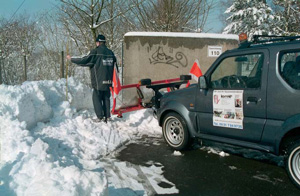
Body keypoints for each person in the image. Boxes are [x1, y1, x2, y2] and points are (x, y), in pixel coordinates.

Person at [67, 34, 117, 123]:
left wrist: (72, 59)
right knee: (106, 98)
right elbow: (115, 65)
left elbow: (85, 60)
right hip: (109, 80)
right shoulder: (111, 53)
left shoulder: (95, 51)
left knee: (96, 98)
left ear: (98, 42)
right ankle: (107, 116)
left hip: (98, 80)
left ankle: (100, 117)